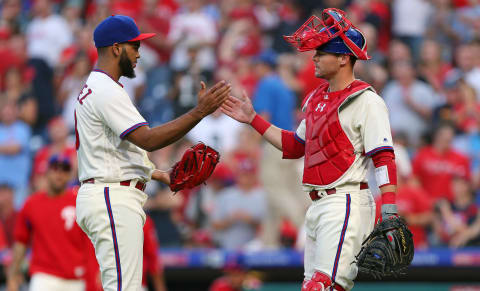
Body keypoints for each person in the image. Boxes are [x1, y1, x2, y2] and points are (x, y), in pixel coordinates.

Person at [222, 8, 400, 290]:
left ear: (343, 58)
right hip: (316, 205)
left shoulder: (366, 100)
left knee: (323, 286)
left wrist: (389, 211)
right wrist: (253, 119)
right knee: (315, 286)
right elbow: (295, 146)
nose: (314, 57)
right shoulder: (317, 98)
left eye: (322, 52)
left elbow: (383, 155)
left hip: (346, 201)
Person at [74, 15, 230, 291]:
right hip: (111, 195)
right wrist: (199, 112)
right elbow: (147, 139)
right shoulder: (105, 90)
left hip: (108, 193)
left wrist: (159, 174)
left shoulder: (99, 87)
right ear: (116, 48)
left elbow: (116, 150)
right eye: (134, 46)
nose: (139, 53)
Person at [7, 155, 96, 291]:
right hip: (44, 276)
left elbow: (92, 242)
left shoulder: (80, 201)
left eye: (65, 169)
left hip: (76, 277)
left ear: (70, 174)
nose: (59, 174)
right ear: (46, 172)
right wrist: (13, 276)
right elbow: (21, 241)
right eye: (55, 168)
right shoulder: (31, 204)